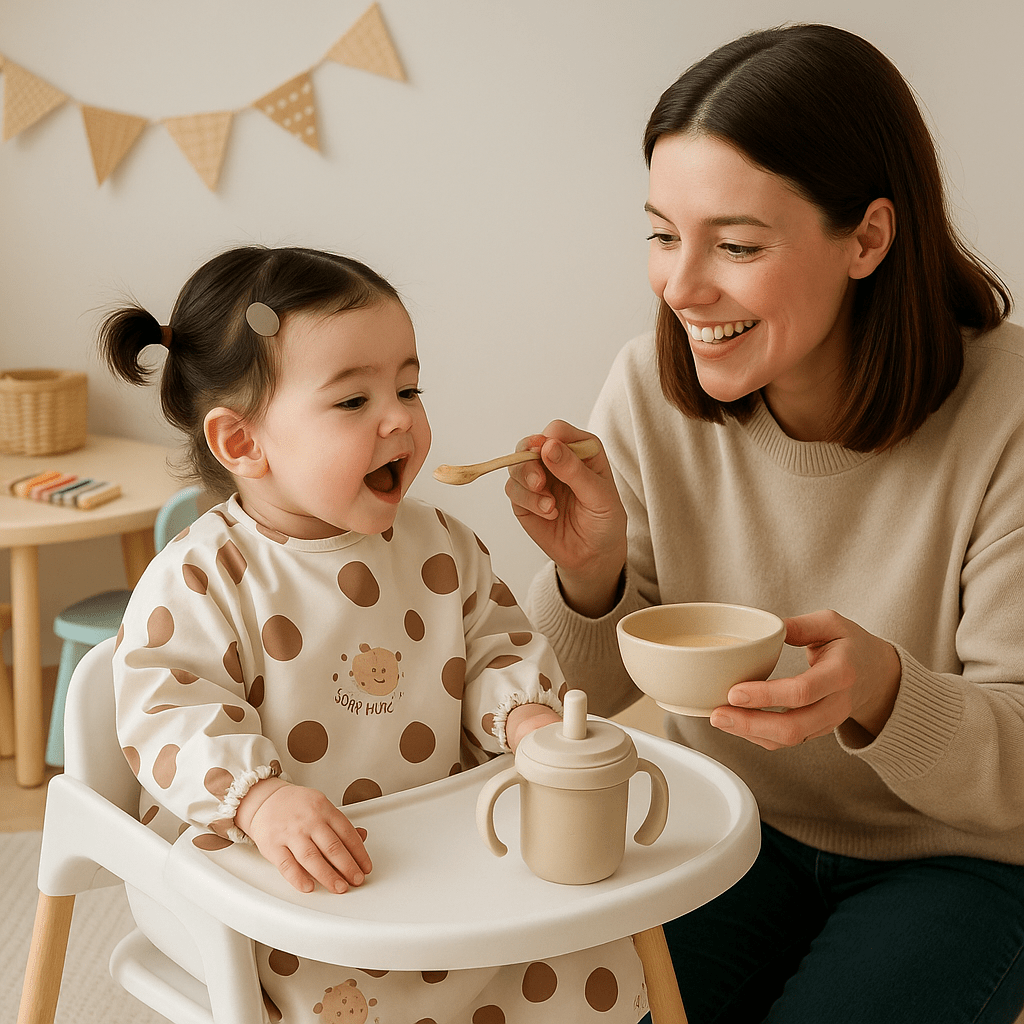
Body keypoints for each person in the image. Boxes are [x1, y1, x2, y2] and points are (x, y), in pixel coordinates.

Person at [505, 23, 1024, 1024]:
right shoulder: (649, 393)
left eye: (735, 245)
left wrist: (881, 693)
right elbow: (590, 692)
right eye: (662, 234)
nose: (681, 286)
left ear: (867, 238)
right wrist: (593, 578)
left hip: (959, 856)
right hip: (727, 826)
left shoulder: (1007, 413)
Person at [100, 245, 648, 1024]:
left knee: (582, 948)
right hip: (303, 885)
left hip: (446, 853)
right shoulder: (201, 579)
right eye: (353, 402)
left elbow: (494, 648)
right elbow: (168, 715)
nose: (402, 418)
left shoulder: (442, 547)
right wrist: (260, 801)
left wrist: (522, 716)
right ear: (241, 443)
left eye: (409, 386)